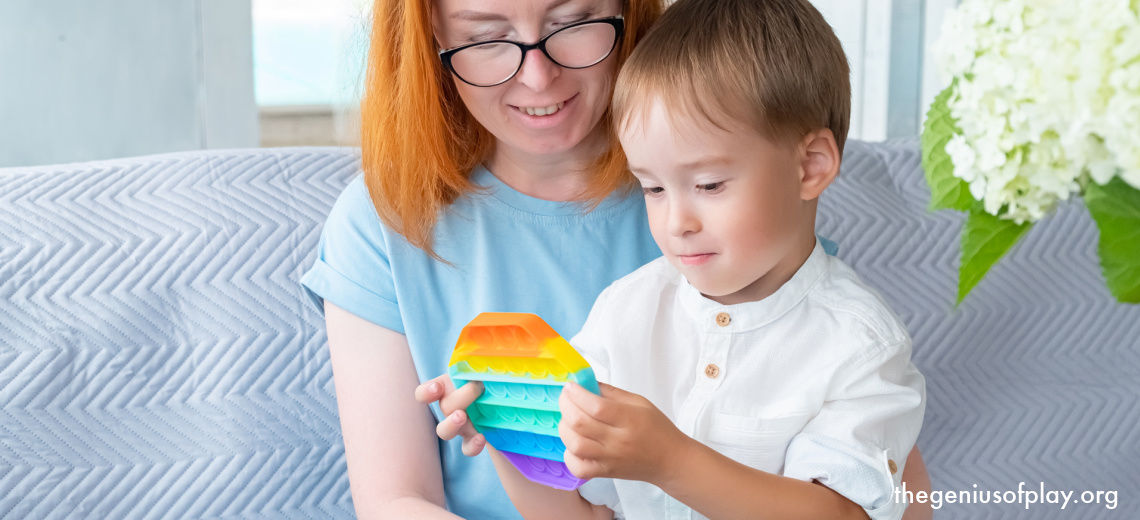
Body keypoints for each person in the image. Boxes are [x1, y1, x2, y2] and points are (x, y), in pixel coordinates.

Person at [299, 0, 933, 518]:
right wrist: (508, 436)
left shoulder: (789, 280)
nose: (537, 75)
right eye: (486, 38)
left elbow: (898, 504)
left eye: (572, 23)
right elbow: (574, 507)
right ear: (431, 38)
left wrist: (669, 460)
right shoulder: (631, 306)